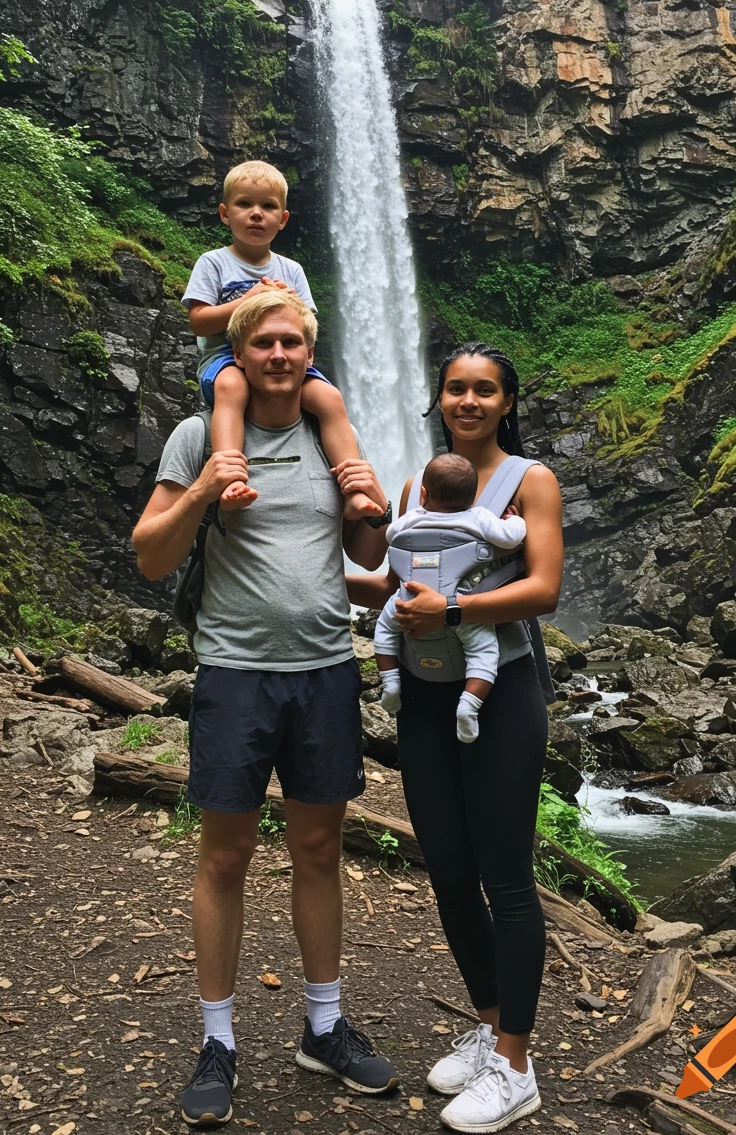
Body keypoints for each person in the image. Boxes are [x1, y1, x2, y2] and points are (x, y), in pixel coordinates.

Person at [132, 289, 398, 1128]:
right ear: (238, 356)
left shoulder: (329, 430)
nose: (279, 355)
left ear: (307, 354)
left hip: (323, 669)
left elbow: (364, 552)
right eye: (264, 344)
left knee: (319, 846)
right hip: (235, 673)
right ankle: (219, 1040)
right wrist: (204, 489)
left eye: (292, 343)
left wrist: (375, 506)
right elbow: (149, 557)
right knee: (225, 855)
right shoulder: (198, 436)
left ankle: (324, 1026)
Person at [348, 341, 563, 1134]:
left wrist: (457, 614)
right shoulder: (415, 485)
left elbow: (542, 587)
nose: (468, 401)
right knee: (445, 867)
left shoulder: (529, 480)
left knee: (504, 876)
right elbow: (393, 580)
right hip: (427, 703)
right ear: (439, 398)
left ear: (506, 402)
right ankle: (488, 1021)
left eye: (484, 390)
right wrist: (307, 566)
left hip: (500, 695)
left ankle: (516, 1065)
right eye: (455, 389)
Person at [182, 159, 380, 519]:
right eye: (245, 204)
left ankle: (354, 488)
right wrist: (249, 300)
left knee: (329, 397)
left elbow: (306, 326)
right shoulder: (213, 263)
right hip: (225, 359)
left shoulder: (292, 269)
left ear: (282, 219)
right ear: (225, 214)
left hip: (281, 360)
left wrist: (285, 302)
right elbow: (198, 321)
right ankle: (229, 479)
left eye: (268, 206)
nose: (256, 214)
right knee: (232, 388)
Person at [373, 452, 527, 743]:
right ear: (472, 498)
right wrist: (515, 521)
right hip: (461, 603)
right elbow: (511, 538)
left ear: (422, 494)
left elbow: (390, 536)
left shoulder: (411, 519)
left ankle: (390, 684)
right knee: (483, 652)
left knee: (383, 629)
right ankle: (469, 705)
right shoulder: (479, 517)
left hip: (407, 600)